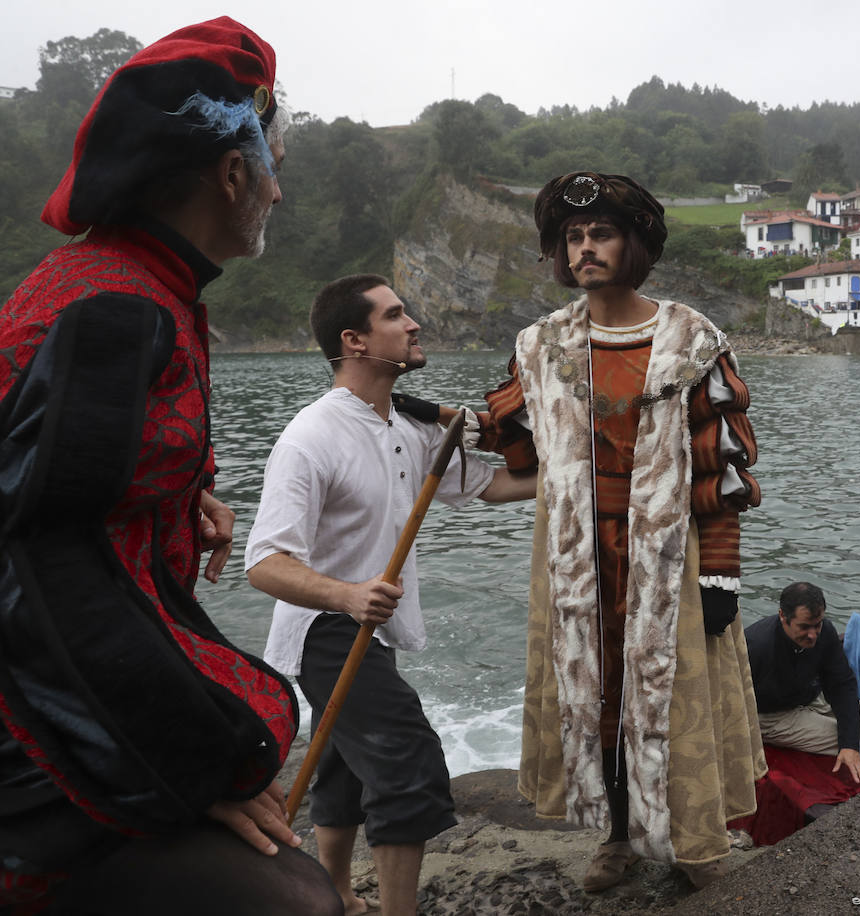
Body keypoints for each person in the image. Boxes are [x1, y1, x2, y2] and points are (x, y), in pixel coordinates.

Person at [0, 18, 343, 914]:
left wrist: (182, 497)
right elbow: (40, 559)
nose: (278, 191)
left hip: (54, 665)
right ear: (233, 173)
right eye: (271, 166)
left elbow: (71, 476)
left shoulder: (133, 283)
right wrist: (193, 769)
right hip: (31, 719)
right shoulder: (117, 312)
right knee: (298, 902)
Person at [476, 171, 767, 892]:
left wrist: (721, 571)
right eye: (573, 237)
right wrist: (454, 431)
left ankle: (698, 843)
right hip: (575, 559)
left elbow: (717, 468)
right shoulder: (540, 345)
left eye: (601, 233)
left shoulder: (692, 339)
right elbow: (524, 457)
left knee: (680, 699)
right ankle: (615, 837)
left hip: (670, 557)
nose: (585, 248)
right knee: (594, 699)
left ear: (634, 243)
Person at [244, 275, 534, 916]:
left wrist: (590, 465)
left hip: (368, 627)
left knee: (346, 768)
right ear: (355, 340)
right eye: (396, 316)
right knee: (407, 766)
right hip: (325, 630)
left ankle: (339, 895)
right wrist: (345, 594)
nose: (414, 325)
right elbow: (263, 561)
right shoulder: (310, 438)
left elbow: (491, 486)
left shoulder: (410, 425)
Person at [745, 583, 860, 785]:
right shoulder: (757, 645)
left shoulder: (826, 633)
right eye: (804, 627)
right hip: (769, 713)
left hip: (804, 696)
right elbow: (731, 702)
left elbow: (841, 684)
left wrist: (850, 746)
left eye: (818, 625)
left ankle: (837, 749)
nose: (813, 634)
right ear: (782, 616)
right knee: (839, 738)